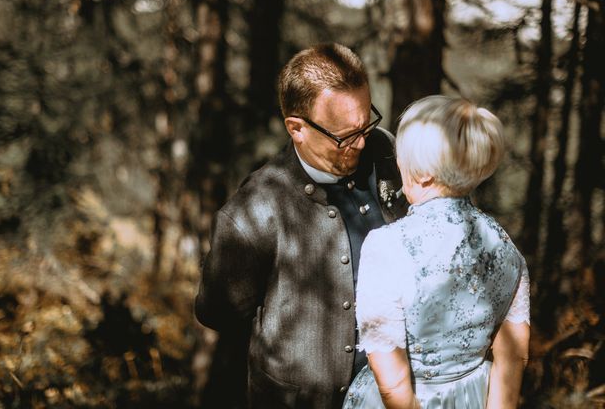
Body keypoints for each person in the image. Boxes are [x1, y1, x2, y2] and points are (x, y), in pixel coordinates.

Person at [195, 42, 408, 408]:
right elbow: (218, 311)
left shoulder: (387, 152)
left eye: (366, 123)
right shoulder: (255, 210)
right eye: (344, 136)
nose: (360, 143)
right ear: (296, 128)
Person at [343, 95, 530, 409]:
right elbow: (513, 356)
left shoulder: (386, 246)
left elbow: (392, 380)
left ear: (424, 174)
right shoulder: (503, 244)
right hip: (476, 395)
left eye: (400, 157)